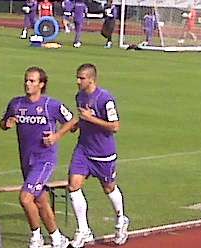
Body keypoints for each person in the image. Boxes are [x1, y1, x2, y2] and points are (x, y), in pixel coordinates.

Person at [0, 66, 76, 248]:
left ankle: (36, 238)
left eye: (32, 81)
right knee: (41, 201)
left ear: (41, 84)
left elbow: (73, 121)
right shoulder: (16, 104)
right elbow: (3, 122)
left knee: (25, 198)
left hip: (45, 160)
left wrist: (57, 136)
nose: (27, 84)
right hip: (26, 160)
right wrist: (6, 124)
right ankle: (58, 238)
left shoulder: (51, 105)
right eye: (26, 80)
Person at [68, 64, 129, 248]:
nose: (78, 81)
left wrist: (90, 119)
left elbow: (115, 126)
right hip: (83, 150)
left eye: (81, 78)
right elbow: (82, 118)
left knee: (109, 188)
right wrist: (76, 125)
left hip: (103, 153)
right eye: (77, 77)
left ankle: (121, 220)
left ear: (91, 79)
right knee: (73, 186)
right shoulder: (79, 96)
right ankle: (83, 229)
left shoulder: (106, 99)